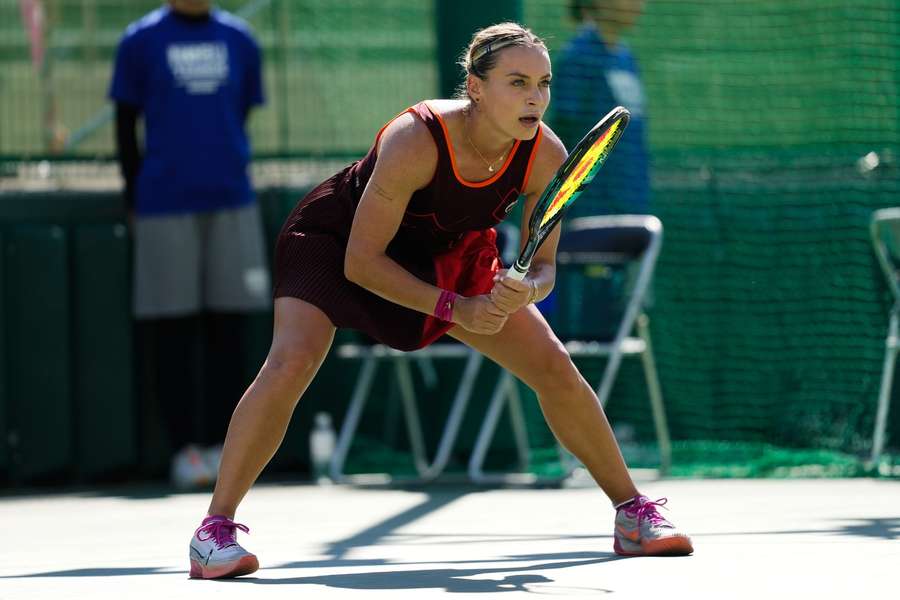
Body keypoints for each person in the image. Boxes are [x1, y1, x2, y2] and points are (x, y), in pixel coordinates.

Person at [187, 22, 692, 580]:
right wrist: (456, 308)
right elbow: (362, 262)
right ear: (475, 87)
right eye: (517, 82)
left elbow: (545, 265)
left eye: (543, 83)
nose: (535, 97)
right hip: (338, 243)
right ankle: (214, 532)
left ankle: (632, 515)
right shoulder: (416, 138)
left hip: (451, 254)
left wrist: (530, 286)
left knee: (552, 364)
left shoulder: (545, 153)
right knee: (291, 361)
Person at [108, 0, 271, 489]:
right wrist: (134, 195)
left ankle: (227, 449)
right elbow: (125, 124)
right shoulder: (139, 39)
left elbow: (239, 112)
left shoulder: (240, 39)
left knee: (230, 326)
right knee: (172, 328)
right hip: (162, 201)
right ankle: (184, 449)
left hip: (231, 197)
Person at [551, 0, 650, 217]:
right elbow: (562, 133)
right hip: (588, 207)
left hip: (632, 201)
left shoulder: (627, 58)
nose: (639, 4)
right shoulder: (577, 58)